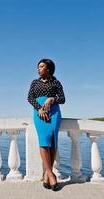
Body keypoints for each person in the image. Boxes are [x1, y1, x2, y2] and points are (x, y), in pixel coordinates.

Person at [27, 58, 66, 191]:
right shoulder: (34, 82)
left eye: (41, 66)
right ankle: (50, 174)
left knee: (53, 142)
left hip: (54, 113)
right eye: (38, 67)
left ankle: (46, 175)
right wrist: (40, 108)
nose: (38, 69)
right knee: (44, 142)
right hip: (39, 114)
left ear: (48, 69)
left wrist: (52, 99)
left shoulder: (56, 82)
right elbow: (29, 98)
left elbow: (63, 99)